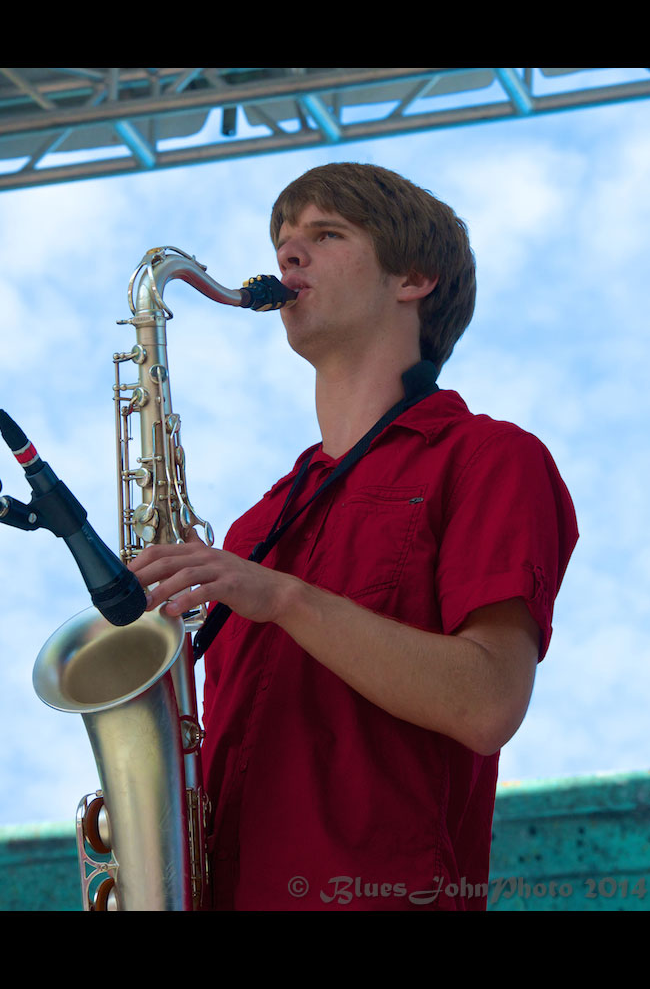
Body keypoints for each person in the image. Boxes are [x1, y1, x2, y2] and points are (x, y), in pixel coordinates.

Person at [129, 162, 578, 911]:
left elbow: (487, 703)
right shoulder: (256, 529)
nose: (288, 257)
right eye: (282, 242)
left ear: (415, 279)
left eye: (325, 234)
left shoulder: (489, 457)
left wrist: (280, 597)